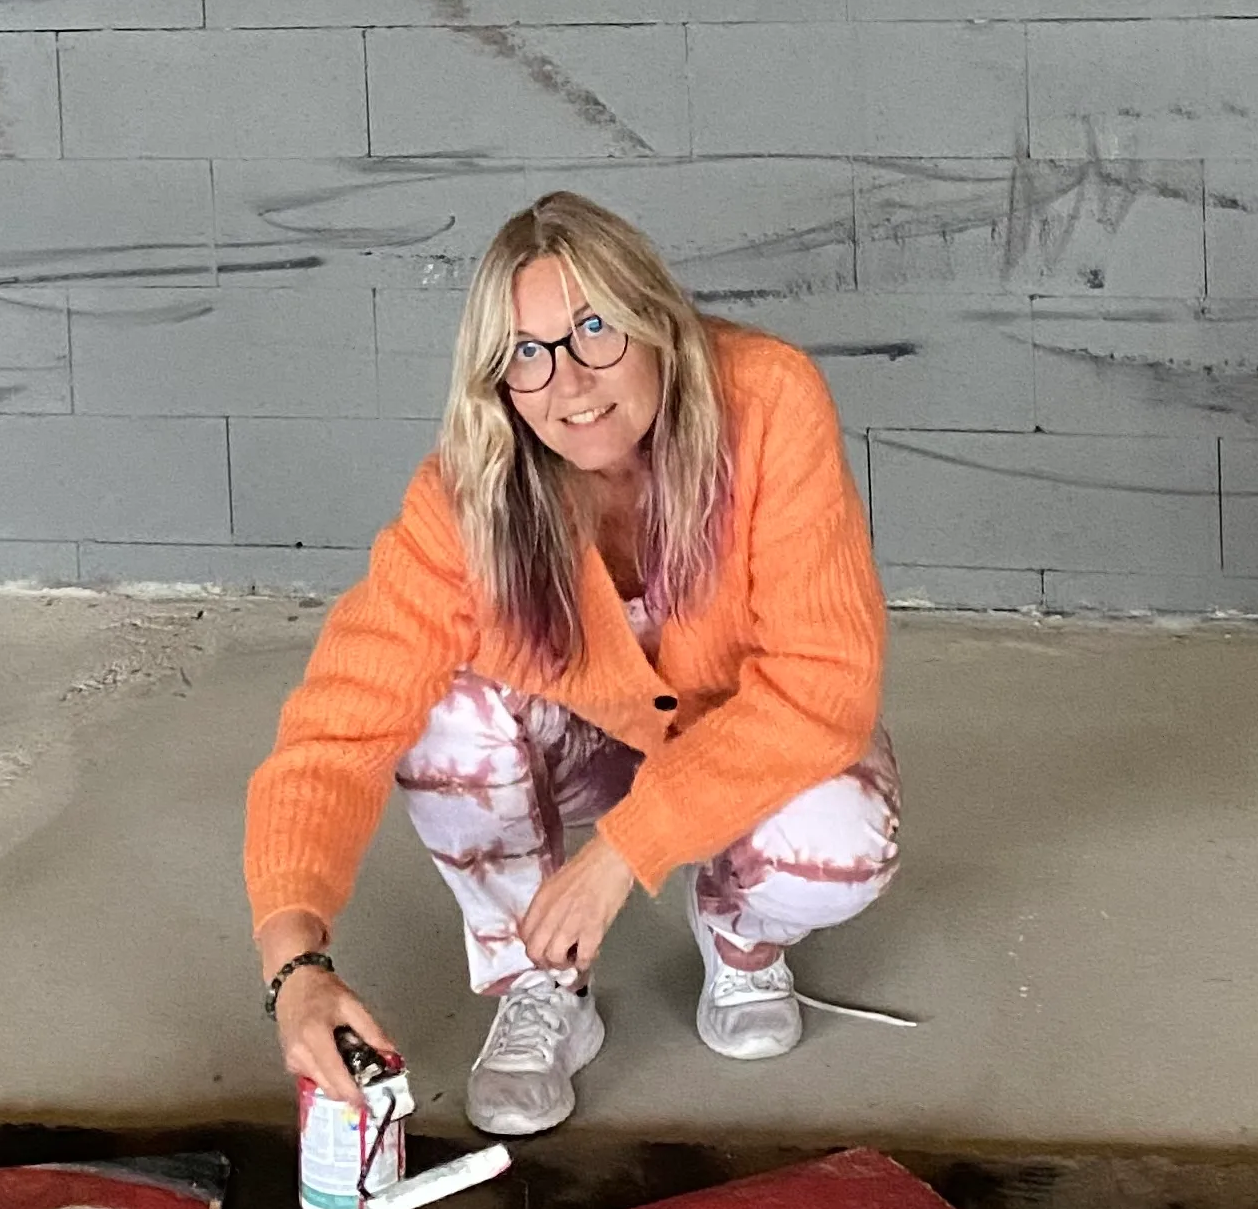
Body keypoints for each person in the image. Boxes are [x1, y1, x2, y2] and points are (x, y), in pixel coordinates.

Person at [246, 191, 899, 1137]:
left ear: (655, 321)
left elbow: (822, 682)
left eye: (595, 328)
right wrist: (293, 966)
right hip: (583, 743)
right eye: (527, 352)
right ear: (498, 382)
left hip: (734, 735)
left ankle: (740, 933)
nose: (570, 382)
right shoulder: (470, 496)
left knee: (841, 843)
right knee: (445, 710)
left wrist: (624, 853)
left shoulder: (767, 400)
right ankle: (538, 977)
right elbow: (336, 727)